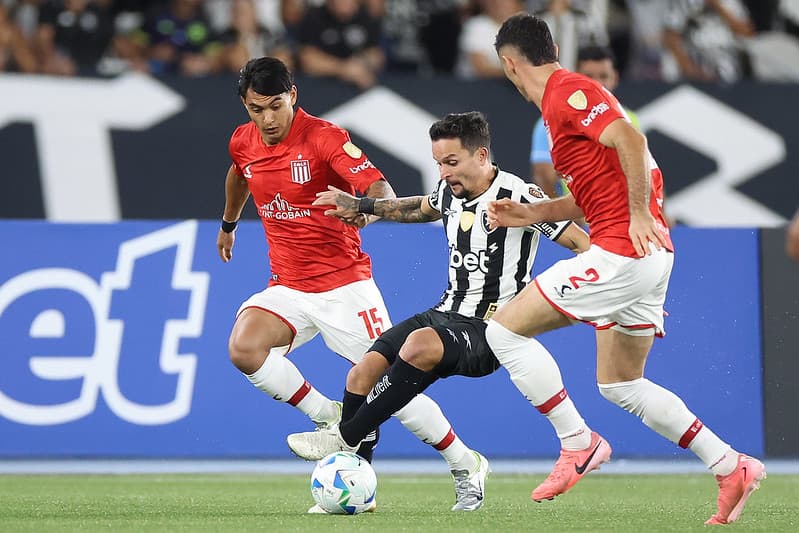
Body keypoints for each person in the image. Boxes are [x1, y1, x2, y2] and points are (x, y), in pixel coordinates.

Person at [488, 14, 766, 524]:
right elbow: (590, 193)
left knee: (502, 332)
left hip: (624, 250)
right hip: (648, 257)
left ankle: (579, 443)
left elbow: (632, 143)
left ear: (510, 64)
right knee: (619, 383)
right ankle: (730, 466)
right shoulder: (560, 104)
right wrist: (533, 213)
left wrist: (639, 213)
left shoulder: (568, 91)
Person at [286, 111, 608, 509]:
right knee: (361, 374)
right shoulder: (449, 193)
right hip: (445, 311)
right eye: (438, 162)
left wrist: (606, 291)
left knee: (419, 346)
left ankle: (345, 434)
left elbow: (583, 245)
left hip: (491, 327)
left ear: (482, 155)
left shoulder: (520, 196)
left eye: (451, 162)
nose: (443, 172)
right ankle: (358, 485)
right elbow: (421, 207)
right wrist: (363, 204)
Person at [217, 56, 485, 514]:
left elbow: (380, 187)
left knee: (397, 391)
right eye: (255, 109)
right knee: (244, 348)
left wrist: (365, 207)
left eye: (275, 106)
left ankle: (465, 463)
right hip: (288, 286)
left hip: (345, 287)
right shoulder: (243, 141)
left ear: (293, 96)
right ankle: (331, 415)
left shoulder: (325, 139)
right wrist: (228, 223)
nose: (266, 119)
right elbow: (240, 174)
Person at [530, 45, 638, 200]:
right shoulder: (549, 121)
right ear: (576, 76)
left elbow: (644, 168)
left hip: (620, 215)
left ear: (615, 77)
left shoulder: (631, 119)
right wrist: (565, 221)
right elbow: (544, 177)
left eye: (603, 76)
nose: (596, 83)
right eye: (589, 76)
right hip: (579, 217)